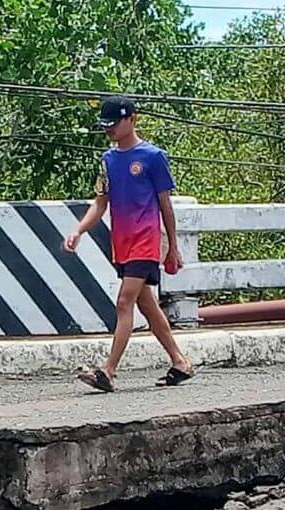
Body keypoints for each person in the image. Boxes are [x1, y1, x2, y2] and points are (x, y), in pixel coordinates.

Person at [63, 95, 195, 393]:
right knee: (146, 304)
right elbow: (100, 203)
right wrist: (79, 230)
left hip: (145, 239)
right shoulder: (108, 160)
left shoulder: (153, 156)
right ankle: (180, 361)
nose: (109, 130)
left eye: (114, 124)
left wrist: (172, 246)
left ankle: (108, 371)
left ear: (131, 119)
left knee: (125, 302)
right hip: (121, 242)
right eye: (106, 125)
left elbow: (165, 205)